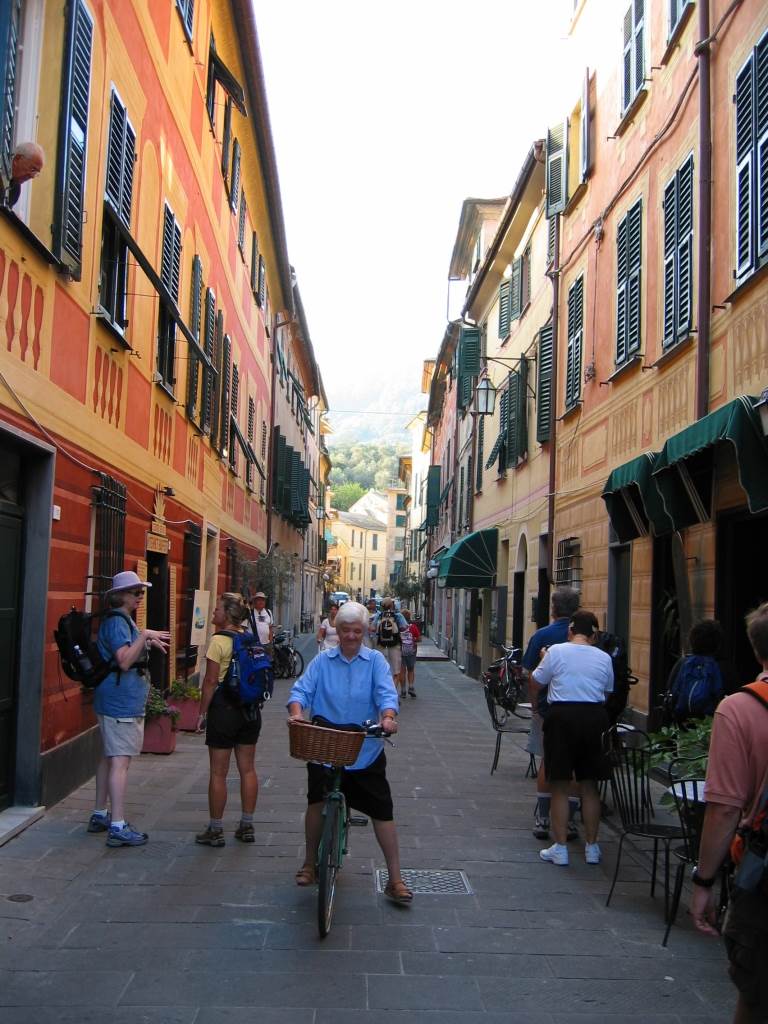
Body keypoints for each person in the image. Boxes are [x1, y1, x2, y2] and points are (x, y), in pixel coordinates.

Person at [287, 601, 412, 904]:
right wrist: (297, 712)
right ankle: (309, 863)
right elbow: (301, 691)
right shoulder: (322, 661)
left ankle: (395, 878)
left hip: (363, 746)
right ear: (338, 631)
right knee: (316, 801)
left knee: (382, 811)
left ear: (365, 631)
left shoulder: (375, 662)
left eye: (357, 630)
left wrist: (388, 717)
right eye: (346, 630)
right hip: (324, 744)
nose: (352, 636)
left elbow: (386, 693)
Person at [691, 602, 768, 1024]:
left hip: (762, 879)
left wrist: (704, 881)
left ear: (756, 650)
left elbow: (723, 810)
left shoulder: (740, 708)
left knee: (755, 999)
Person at [88, 571, 170, 847]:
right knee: (120, 762)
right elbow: (123, 660)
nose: (140, 597)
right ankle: (118, 825)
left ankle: (100, 814)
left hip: (115, 699)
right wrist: (144, 635)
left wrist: (145, 641)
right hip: (120, 703)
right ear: (121, 595)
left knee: (109, 757)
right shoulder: (117, 622)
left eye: (141, 592)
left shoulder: (121, 620)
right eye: (136, 592)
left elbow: (125, 651)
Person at [532, 609, 614, 867]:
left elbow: (537, 680)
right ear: (594, 634)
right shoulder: (604, 658)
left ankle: (560, 848)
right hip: (594, 717)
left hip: (562, 716)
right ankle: (592, 847)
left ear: (570, 631)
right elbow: (607, 692)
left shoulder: (556, 651)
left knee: (560, 784)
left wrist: (537, 706)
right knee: (589, 785)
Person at [195, 593, 262, 846]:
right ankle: (247, 825)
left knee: (218, 772)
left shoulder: (218, 641)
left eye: (217, 610)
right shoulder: (249, 638)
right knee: (248, 769)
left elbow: (211, 681)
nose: (214, 613)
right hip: (250, 712)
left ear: (227, 615)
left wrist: (202, 713)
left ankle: (215, 829)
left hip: (224, 711)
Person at [521, 587, 581, 840]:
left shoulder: (542, 635)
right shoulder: (588, 639)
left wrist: (535, 706)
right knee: (575, 764)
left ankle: (543, 817)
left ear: (553, 608)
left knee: (548, 760)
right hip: (582, 710)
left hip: (548, 708)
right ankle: (570, 821)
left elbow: (528, 674)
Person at [371, 597, 408, 688]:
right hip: (394, 644)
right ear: (392, 605)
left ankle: (382, 689)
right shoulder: (397, 615)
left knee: (381, 668)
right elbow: (405, 627)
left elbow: (372, 628)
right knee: (396, 671)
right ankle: (393, 691)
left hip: (381, 644)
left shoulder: (379, 615)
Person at [1, 142, 44, 208]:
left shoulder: (16, 189)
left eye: (36, 173)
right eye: (33, 169)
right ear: (17, 159)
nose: (32, 176)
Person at [399, 609, 421, 699]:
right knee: (411, 670)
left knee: (402, 671)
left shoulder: (398, 627)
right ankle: (411, 687)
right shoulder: (413, 627)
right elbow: (419, 639)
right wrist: (413, 639)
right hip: (412, 651)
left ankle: (403, 690)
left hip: (400, 651)